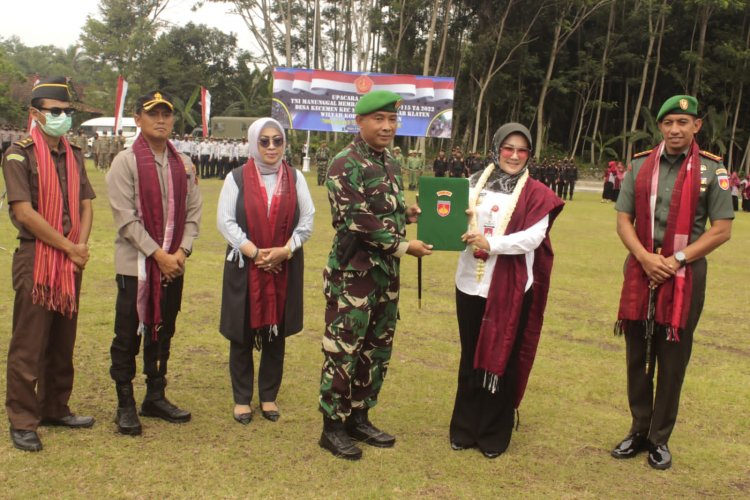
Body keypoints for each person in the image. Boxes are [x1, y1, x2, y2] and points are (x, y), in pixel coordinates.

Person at [611, 95, 733, 470]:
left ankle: (660, 438)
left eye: (684, 122)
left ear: (697, 126)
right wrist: (647, 259)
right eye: (669, 123)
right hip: (641, 269)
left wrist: (676, 259)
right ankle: (638, 429)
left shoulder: (712, 171)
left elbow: (722, 230)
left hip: (686, 273)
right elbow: (623, 220)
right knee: (637, 354)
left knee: (672, 355)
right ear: (660, 127)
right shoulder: (639, 165)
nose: (675, 129)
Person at [318, 90, 433, 460]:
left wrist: (408, 215)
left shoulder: (389, 161)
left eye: (392, 120)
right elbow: (358, 221)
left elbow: (383, 211)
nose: (387, 127)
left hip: (384, 277)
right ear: (360, 121)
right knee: (344, 348)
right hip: (353, 277)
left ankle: (359, 417)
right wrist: (404, 246)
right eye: (379, 119)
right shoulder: (343, 163)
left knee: (376, 349)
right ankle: (332, 427)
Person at [451, 123, 563, 458]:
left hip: (512, 288)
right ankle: (465, 428)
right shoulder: (472, 183)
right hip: (470, 283)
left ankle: (494, 434)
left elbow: (533, 237)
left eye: (522, 150)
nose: (514, 156)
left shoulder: (537, 193)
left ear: (530, 154)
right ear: (496, 147)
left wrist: (492, 243)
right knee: (470, 356)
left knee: (505, 358)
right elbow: (451, 220)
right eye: (508, 148)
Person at [2, 77, 96, 452]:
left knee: (62, 339)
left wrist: (81, 245)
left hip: (71, 259)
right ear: (35, 114)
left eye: (67, 112)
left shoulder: (73, 153)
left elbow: (86, 203)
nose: (62, 118)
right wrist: (69, 247)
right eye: (55, 112)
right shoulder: (18, 154)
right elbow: (24, 212)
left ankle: (55, 407)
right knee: (29, 342)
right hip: (37, 258)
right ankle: (23, 419)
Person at [106, 91, 202, 436]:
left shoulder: (184, 163)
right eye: (153, 114)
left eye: (166, 114)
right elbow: (126, 219)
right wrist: (157, 254)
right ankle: (125, 403)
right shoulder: (126, 161)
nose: (161, 120)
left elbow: (193, 213)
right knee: (128, 333)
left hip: (173, 265)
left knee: (164, 330)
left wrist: (182, 252)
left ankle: (155, 395)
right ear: (138, 118)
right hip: (136, 266)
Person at [217, 118, 314, 425]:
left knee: (277, 332)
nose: (272, 147)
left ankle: (269, 396)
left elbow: (307, 221)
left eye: (277, 141)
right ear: (253, 143)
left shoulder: (296, 178)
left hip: (284, 264)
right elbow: (225, 222)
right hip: (247, 265)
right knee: (242, 332)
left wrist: (285, 250)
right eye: (264, 141)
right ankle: (242, 399)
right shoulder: (236, 178)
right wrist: (256, 253)